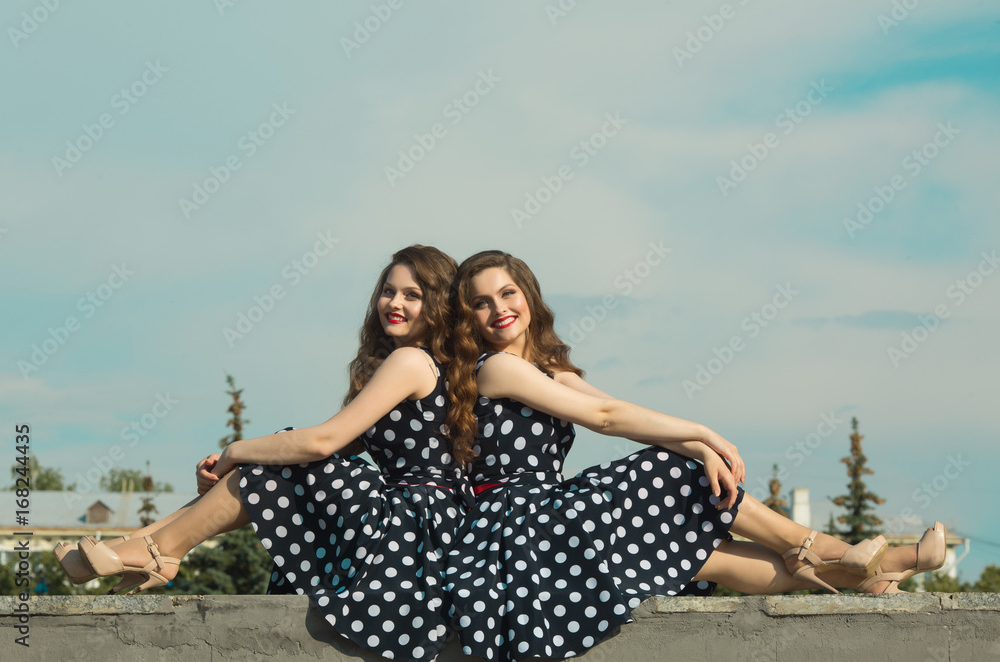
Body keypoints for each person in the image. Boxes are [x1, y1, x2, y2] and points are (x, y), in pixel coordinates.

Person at [442, 250, 946, 661]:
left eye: (507, 292)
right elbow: (606, 419)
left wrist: (702, 449)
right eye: (481, 303)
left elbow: (622, 415)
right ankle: (821, 547)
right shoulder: (497, 368)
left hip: (548, 516)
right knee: (669, 472)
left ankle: (865, 573)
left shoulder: (548, 369)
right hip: (515, 524)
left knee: (708, 556)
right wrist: (703, 434)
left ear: (529, 295)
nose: (498, 308)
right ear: (469, 318)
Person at [62, 245, 473, 662]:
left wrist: (234, 451)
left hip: (415, 527)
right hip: (424, 523)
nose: (394, 303)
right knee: (278, 459)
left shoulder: (410, 360)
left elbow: (323, 441)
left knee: (280, 461)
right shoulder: (425, 364)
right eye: (388, 291)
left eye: (412, 295)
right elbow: (330, 445)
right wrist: (238, 463)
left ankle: (157, 551)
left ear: (438, 305)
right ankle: (140, 544)